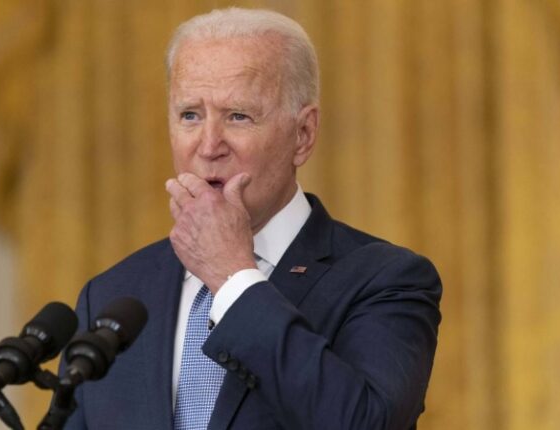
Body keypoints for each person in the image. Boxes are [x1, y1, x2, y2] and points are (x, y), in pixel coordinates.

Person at [62, 7, 442, 430]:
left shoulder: (385, 280)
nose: (209, 146)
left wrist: (231, 276)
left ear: (303, 134)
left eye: (238, 116)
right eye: (190, 115)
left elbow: (364, 423)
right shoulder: (114, 295)